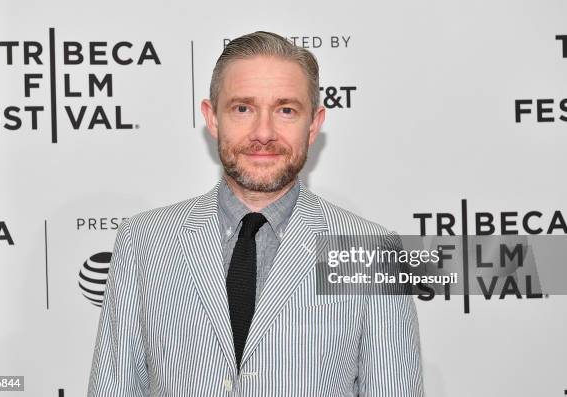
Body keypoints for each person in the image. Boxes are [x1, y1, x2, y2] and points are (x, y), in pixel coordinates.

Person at [88, 31, 424, 396]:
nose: (263, 133)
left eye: (286, 110)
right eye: (243, 108)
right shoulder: (145, 241)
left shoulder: (369, 251)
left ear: (313, 124)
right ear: (212, 117)